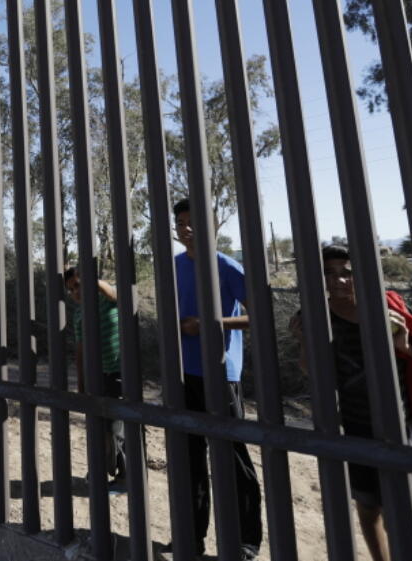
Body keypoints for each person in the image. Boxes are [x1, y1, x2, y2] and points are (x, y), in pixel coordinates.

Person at [288, 244, 412, 561]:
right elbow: (314, 371)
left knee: (398, 507)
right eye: (329, 274)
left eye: (347, 273)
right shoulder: (315, 315)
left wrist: (403, 345)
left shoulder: (384, 308)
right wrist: (304, 342)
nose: (339, 280)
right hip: (353, 421)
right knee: (368, 505)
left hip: (393, 419)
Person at [170, 198, 262, 560]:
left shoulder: (226, 266)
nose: (186, 228)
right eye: (181, 223)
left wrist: (215, 324)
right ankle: (191, 540)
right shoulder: (174, 266)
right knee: (189, 459)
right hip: (183, 372)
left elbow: (258, 313)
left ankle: (245, 542)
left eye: (194, 222)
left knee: (232, 458)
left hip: (222, 374)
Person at [65, 265, 127, 494]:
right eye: (71, 290)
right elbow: (80, 351)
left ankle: (125, 479)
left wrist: (92, 280)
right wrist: (81, 383)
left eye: (79, 286)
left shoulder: (106, 299)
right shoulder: (79, 313)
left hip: (119, 374)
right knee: (98, 428)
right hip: (96, 376)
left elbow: (115, 294)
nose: (76, 293)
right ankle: (101, 469)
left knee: (116, 428)